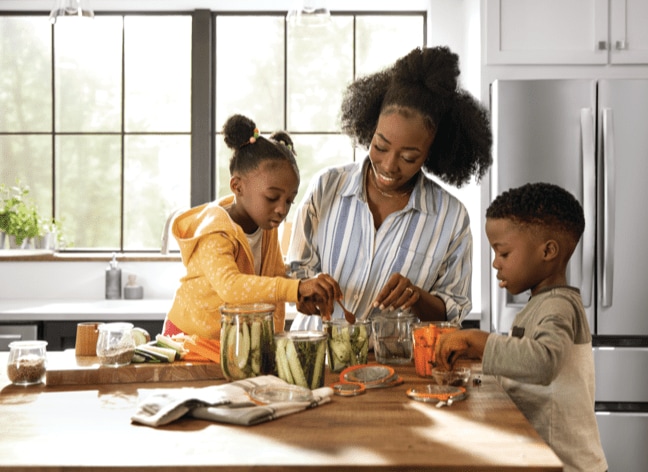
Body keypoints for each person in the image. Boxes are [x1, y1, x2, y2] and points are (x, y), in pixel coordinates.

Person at [287, 46, 493, 330]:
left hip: (395, 367)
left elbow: (451, 314)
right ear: (369, 128)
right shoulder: (326, 188)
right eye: (380, 146)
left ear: (434, 151)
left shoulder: (451, 217)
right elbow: (293, 279)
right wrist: (305, 292)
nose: (389, 165)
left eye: (409, 157)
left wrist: (416, 297)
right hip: (315, 360)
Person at [435, 182, 607, 472]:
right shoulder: (541, 304)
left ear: (548, 251)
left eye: (503, 254)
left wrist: (479, 340)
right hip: (543, 459)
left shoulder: (558, 306)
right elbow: (523, 366)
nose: (495, 263)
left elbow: (543, 363)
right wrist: (476, 360)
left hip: (566, 465)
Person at [163, 113, 340, 362]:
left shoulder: (265, 226)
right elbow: (232, 287)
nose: (282, 209)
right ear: (237, 186)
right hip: (189, 341)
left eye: (289, 200)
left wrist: (301, 296)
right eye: (272, 197)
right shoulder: (215, 231)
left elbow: (274, 275)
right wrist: (296, 288)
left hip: (230, 343)